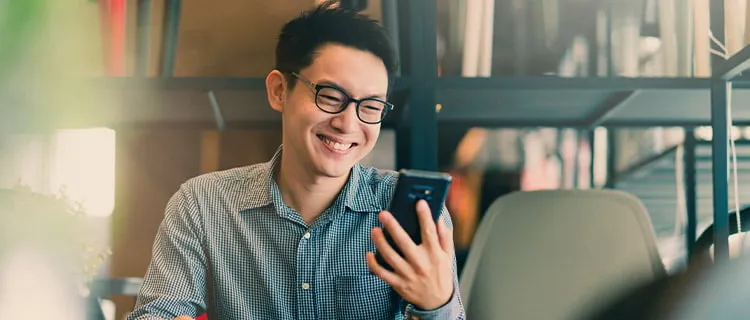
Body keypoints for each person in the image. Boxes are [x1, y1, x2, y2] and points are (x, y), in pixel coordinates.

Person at [126, 2, 465, 319]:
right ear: (278, 91)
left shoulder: (410, 213)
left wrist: (436, 304)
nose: (348, 123)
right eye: (331, 97)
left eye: (371, 107)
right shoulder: (204, 205)